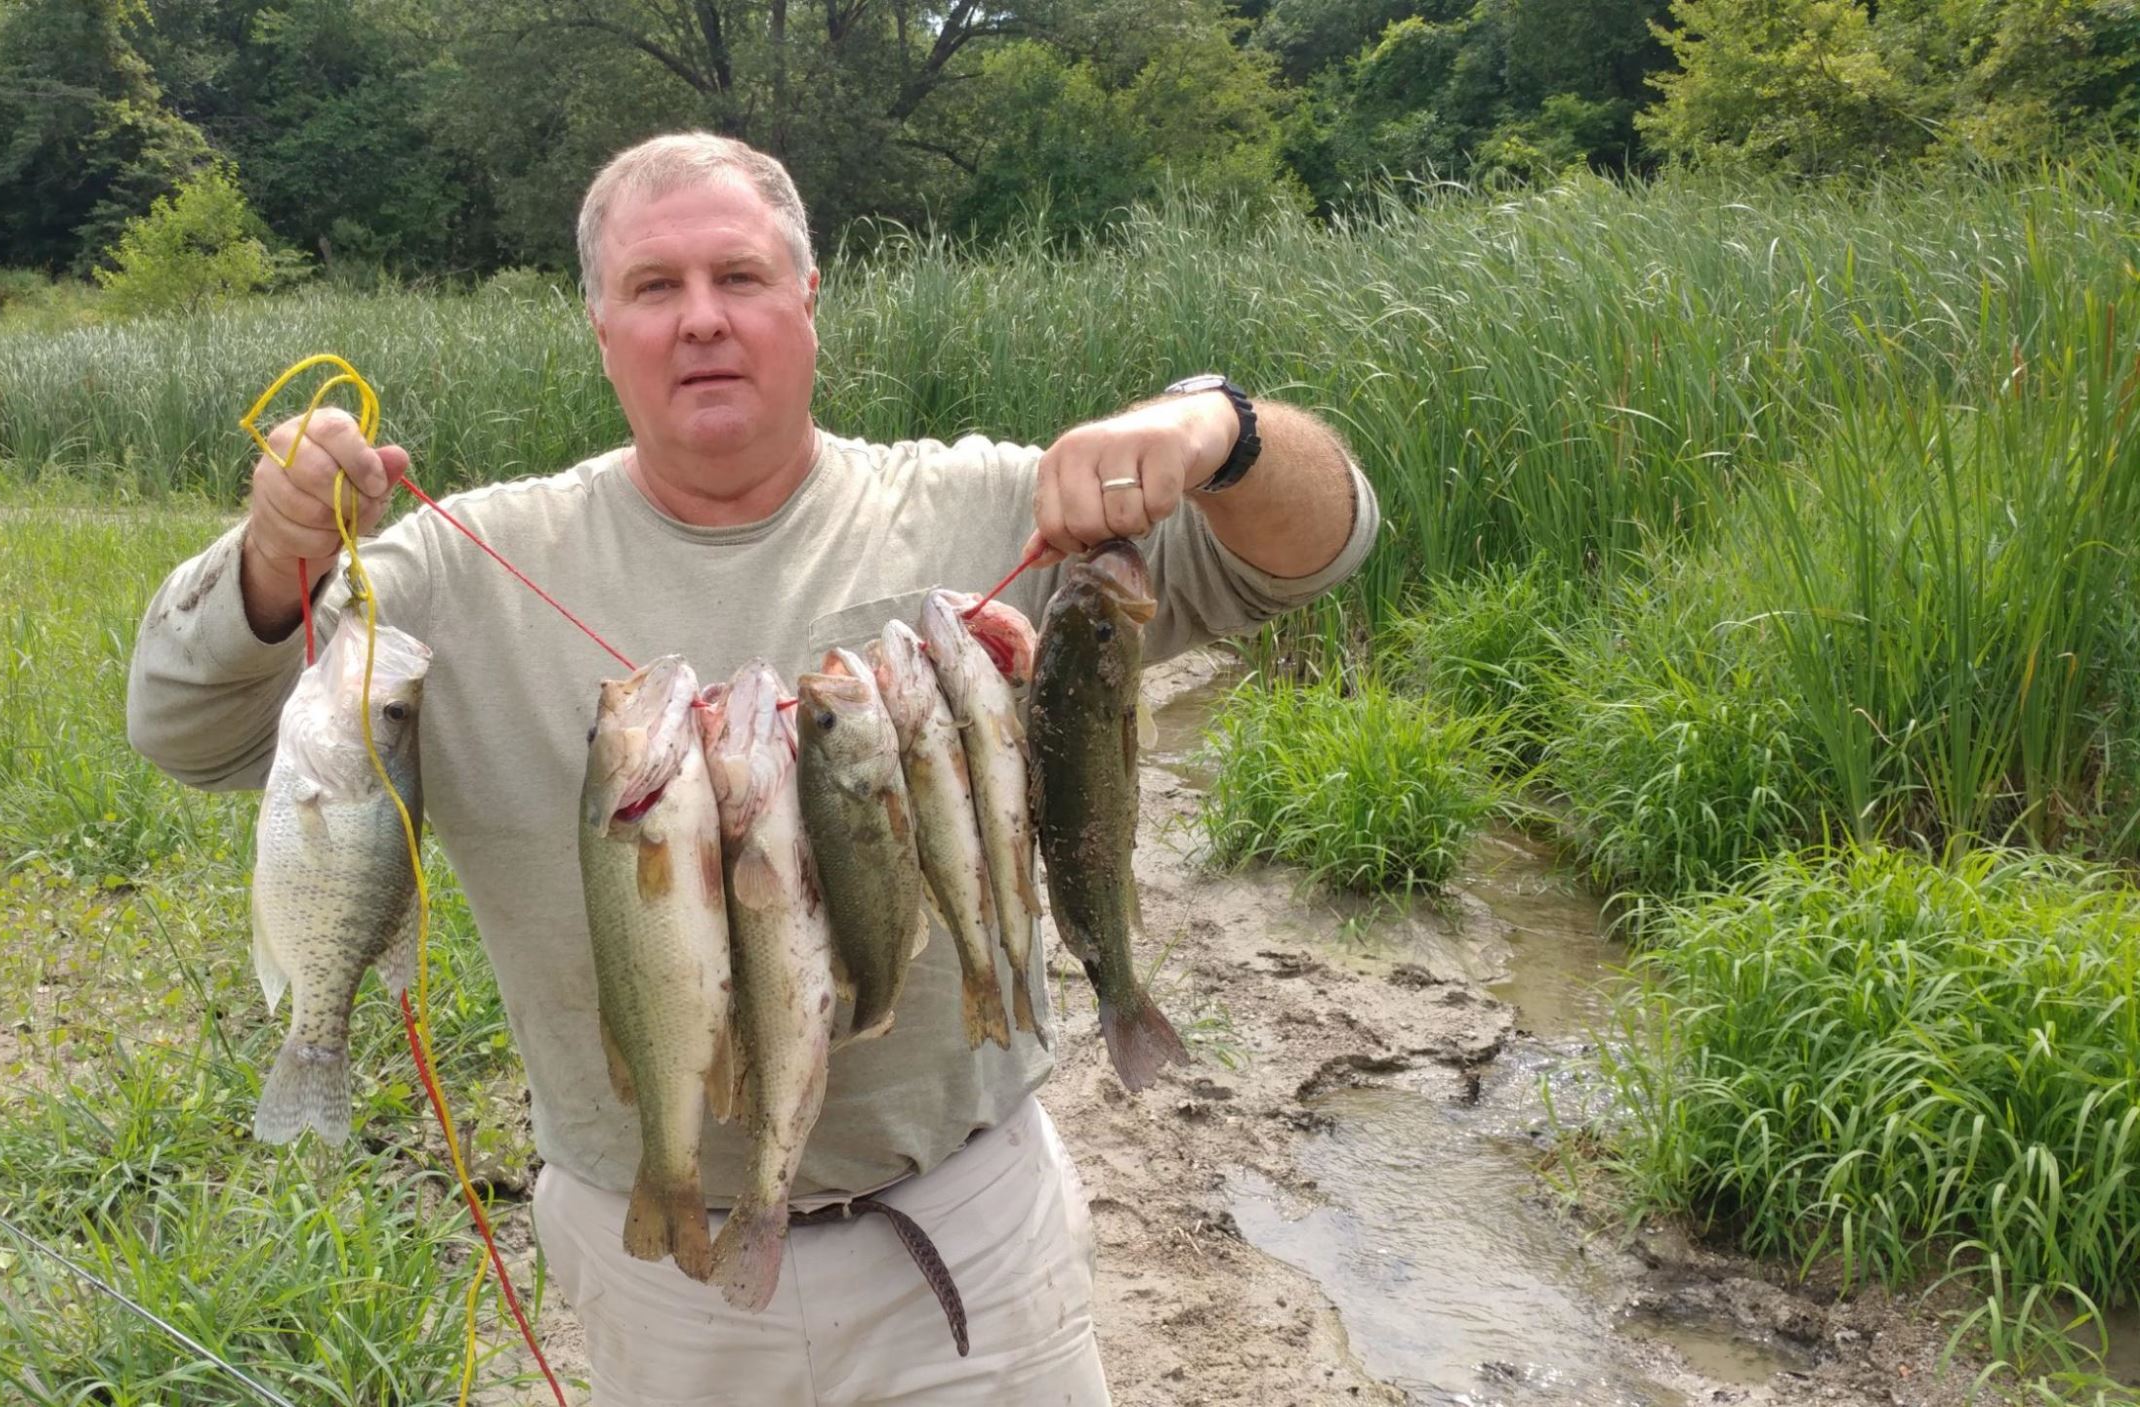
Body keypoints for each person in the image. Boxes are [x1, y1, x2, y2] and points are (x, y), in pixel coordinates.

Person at [126, 131, 1379, 1405]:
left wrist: (1215, 427)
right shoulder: (458, 569)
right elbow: (188, 729)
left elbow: (1314, 549)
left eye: (740, 276)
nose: (702, 321)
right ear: (600, 325)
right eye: (654, 288)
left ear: (809, 302)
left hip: (967, 1235)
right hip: (654, 1261)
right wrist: (266, 553)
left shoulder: (999, 507)